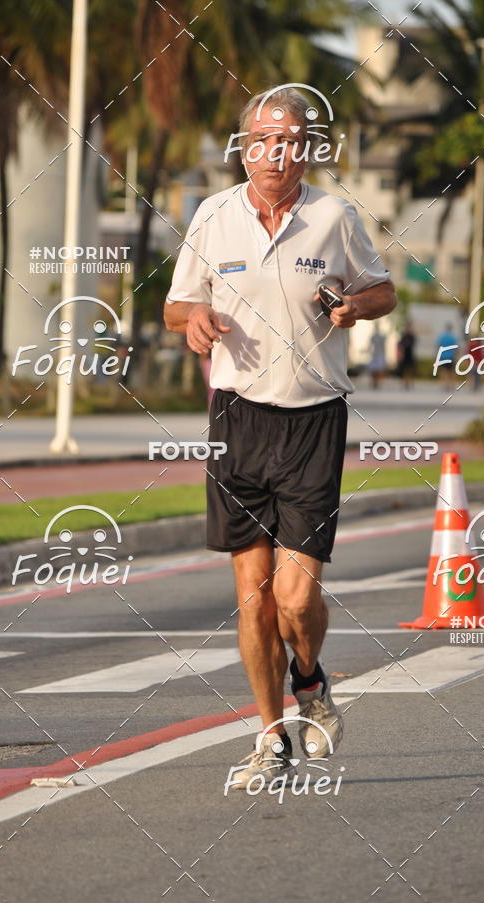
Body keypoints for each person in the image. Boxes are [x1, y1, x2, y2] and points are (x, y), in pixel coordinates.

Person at [163, 86, 396, 787]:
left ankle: (311, 679)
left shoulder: (334, 215)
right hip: (238, 418)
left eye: (292, 140)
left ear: (306, 149)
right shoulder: (214, 214)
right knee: (253, 594)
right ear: (244, 147)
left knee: (295, 599)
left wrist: (356, 304)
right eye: (264, 139)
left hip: (315, 416)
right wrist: (192, 320)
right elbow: (177, 302)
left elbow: (383, 289)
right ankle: (271, 736)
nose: (277, 152)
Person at [436, 322, 458, 386]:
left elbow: (438, 346)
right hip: (451, 356)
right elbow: (456, 348)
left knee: (443, 370)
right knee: (451, 371)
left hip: (443, 356)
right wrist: (456, 356)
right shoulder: (453, 337)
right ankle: (451, 383)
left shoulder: (442, 337)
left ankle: (443, 383)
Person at [396, 321, 417, 390]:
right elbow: (400, 344)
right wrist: (400, 355)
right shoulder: (404, 335)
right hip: (405, 355)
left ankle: (411, 382)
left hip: (410, 354)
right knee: (404, 370)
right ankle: (405, 383)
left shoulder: (412, 336)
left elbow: (414, 344)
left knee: (411, 369)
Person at [367, 322, 387, 388]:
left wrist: (384, 354)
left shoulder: (381, 337)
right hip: (374, 354)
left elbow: (383, 346)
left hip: (379, 354)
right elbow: (370, 346)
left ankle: (377, 382)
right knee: (373, 369)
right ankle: (373, 382)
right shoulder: (373, 336)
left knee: (379, 369)